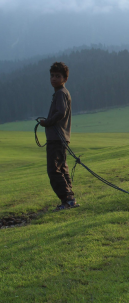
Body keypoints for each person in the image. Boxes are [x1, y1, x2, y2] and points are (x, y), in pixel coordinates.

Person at [40, 62, 79, 211]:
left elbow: (61, 112)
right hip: (61, 137)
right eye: (52, 76)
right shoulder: (61, 92)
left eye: (58, 76)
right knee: (62, 168)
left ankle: (67, 199)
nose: (54, 79)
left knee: (53, 170)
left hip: (57, 138)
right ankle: (70, 199)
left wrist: (47, 122)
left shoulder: (61, 93)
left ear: (65, 78)